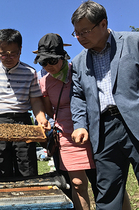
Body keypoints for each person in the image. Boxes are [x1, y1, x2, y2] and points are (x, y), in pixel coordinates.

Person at [70, 1, 139, 209]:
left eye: (85, 31)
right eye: (76, 33)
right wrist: (80, 124)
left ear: (103, 24)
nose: (80, 38)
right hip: (103, 130)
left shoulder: (133, 42)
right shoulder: (79, 62)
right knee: (107, 194)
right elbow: (78, 96)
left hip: (135, 121)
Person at [0, 28, 51, 179]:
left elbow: (35, 101)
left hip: (23, 121)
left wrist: (41, 119)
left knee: (27, 168)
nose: (8, 57)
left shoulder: (30, 72)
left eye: (13, 53)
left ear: (20, 49)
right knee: (0, 169)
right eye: (3, 53)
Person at [34, 33, 97, 210]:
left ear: (62, 57)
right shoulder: (44, 82)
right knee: (77, 183)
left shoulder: (78, 71)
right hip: (66, 135)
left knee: (103, 181)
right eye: (44, 62)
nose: (48, 66)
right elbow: (48, 110)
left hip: (91, 130)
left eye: (52, 61)